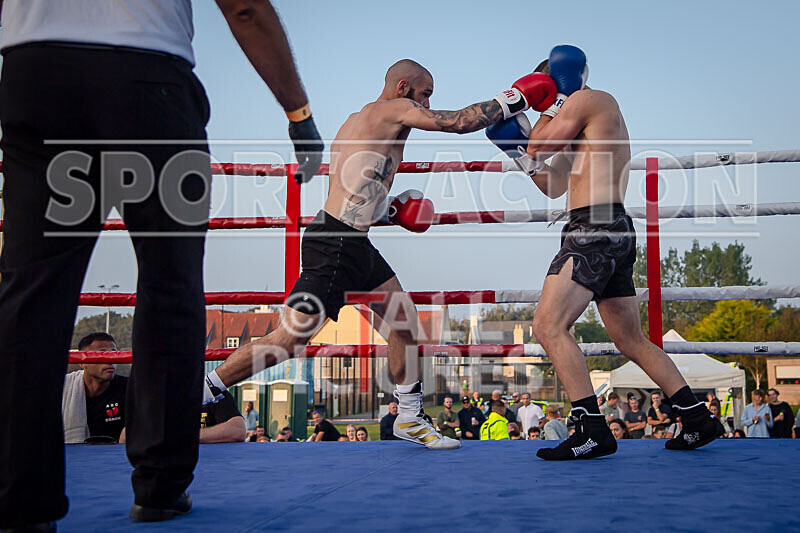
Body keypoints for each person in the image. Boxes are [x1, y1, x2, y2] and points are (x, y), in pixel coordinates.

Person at [0, 0, 324, 527]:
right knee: (169, 284)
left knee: (32, 293)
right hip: (148, 79)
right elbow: (244, 7)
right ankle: (160, 486)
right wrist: (298, 114)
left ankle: (21, 501)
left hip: (36, 76)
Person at [202, 58, 557, 450]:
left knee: (403, 322)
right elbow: (458, 121)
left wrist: (391, 209)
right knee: (288, 341)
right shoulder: (393, 109)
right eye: (425, 94)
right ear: (403, 87)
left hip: (351, 240)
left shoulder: (355, 123)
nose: (426, 104)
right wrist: (516, 99)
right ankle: (205, 388)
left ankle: (408, 416)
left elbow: (353, 187)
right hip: (337, 242)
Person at [488, 44, 722, 459]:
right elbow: (554, 183)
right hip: (604, 227)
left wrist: (536, 126)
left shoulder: (588, 100)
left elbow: (541, 144)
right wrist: (519, 153)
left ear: (557, 85)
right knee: (632, 339)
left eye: (543, 97)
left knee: (547, 325)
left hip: (594, 229)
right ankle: (696, 417)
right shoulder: (576, 123)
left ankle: (592, 428)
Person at [62, 333, 127, 444]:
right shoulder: (63, 388)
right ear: (83, 362)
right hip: (73, 457)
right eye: (102, 354)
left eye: (114, 354)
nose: (110, 360)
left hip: (116, 457)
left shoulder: (128, 387)